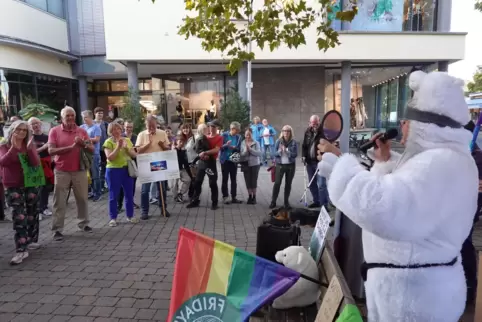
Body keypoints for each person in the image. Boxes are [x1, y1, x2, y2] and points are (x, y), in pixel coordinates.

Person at [317, 71, 478, 321]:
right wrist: (382, 162)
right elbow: (407, 190)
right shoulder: (444, 159)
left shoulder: (440, 163)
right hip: (412, 290)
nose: (402, 125)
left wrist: (342, 167)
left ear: (426, 125)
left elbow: (385, 208)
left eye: (407, 120)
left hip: (414, 300)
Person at [49, 106, 93, 241]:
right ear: (62, 117)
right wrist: (70, 148)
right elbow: (51, 150)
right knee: (59, 200)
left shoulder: (81, 131)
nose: (70, 118)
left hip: (79, 170)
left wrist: (83, 144)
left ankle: (84, 223)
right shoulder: (54, 131)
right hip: (61, 170)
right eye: (67, 115)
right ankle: (57, 229)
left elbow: (91, 149)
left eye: (72, 115)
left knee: (83, 198)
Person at [0, 120, 40, 264]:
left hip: (30, 183)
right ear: (12, 130)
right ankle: (21, 249)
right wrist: (13, 148)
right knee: (19, 216)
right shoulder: (4, 145)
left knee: (31, 212)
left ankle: (31, 239)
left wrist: (30, 150)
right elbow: (3, 162)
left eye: (24, 130)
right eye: (18, 130)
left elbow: (36, 163)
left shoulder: (28, 144)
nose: (21, 132)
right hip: (13, 185)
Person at [461, 120, 482, 305]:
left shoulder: (476, 157)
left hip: (467, 209)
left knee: (463, 242)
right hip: (457, 207)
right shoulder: (461, 154)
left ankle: (469, 283)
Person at [103, 122, 139, 226]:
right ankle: (113, 218)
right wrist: (118, 147)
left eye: (118, 129)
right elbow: (110, 158)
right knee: (114, 195)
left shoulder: (127, 140)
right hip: (113, 171)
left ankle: (130, 216)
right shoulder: (108, 142)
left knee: (129, 194)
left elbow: (134, 155)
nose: (117, 131)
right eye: (114, 129)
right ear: (110, 131)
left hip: (127, 170)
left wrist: (127, 148)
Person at [136, 115, 171, 219]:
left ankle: (163, 209)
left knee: (162, 188)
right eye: (149, 126)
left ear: (156, 124)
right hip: (146, 164)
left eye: (153, 125)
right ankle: (144, 211)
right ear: (146, 125)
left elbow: (167, 148)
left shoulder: (162, 133)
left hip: (159, 163)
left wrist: (163, 146)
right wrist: (148, 143)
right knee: (145, 190)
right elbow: (138, 150)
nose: (151, 128)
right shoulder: (141, 135)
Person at [187, 122, 222, 210]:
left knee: (212, 183)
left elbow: (216, 150)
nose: (211, 128)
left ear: (216, 127)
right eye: (210, 126)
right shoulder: (203, 137)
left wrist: (205, 153)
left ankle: (214, 203)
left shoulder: (219, 137)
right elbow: (197, 148)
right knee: (198, 182)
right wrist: (201, 154)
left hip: (210, 163)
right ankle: (195, 200)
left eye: (213, 126)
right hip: (202, 162)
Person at [29, 117, 54, 219]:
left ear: (41, 124)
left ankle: (44, 207)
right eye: (33, 124)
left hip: (47, 164)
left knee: (46, 187)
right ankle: (37, 210)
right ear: (30, 126)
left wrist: (52, 159)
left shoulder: (47, 137)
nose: (36, 125)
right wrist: (44, 147)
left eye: (37, 123)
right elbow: (31, 152)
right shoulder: (29, 138)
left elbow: (52, 150)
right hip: (34, 165)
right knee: (36, 187)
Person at [269, 125, 298, 209]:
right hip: (280, 165)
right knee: (277, 183)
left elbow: (295, 154)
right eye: (284, 130)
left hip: (290, 166)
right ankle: (273, 201)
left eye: (288, 131)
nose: (286, 132)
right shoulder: (278, 141)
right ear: (282, 132)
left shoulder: (293, 142)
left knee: (288, 184)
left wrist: (287, 151)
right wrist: (279, 151)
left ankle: (286, 202)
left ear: (290, 132)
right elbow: (273, 154)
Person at [301, 115, 325, 208]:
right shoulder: (308, 131)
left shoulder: (323, 132)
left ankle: (324, 204)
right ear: (309, 122)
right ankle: (317, 201)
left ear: (319, 122)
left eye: (316, 123)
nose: (314, 125)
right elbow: (304, 145)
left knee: (322, 184)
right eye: (312, 123)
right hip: (309, 162)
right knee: (311, 183)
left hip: (319, 162)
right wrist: (303, 156)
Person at [117, 120, 139, 211]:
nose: (129, 129)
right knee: (121, 185)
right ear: (124, 127)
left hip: (133, 163)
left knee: (132, 184)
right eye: (127, 127)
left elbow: (137, 149)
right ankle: (119, 204)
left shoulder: (135, 137)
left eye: (130, 127)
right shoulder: (120, 136)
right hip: (123, 163)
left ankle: (131, 202)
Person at [81, 110, 102, 202]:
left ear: (90, 117)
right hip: (84, 154)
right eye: (83, 117)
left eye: (85, 117)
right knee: (87, 175)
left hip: (94, 154)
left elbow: (97, 140)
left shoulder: (96, 128)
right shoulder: (82, 127)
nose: (84, 119)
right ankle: (91, 192)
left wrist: (85, 140)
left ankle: (97, 193)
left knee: (95, 174)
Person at [220, 122, 242, 204]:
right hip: (225, 160)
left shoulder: (238, 137)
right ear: (232, 129)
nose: (238, 132)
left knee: (233, 179)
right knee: (225, 179)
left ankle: (234, 197)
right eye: (236, 130)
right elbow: (220, 148)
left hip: (234, 160)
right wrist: (226, 145)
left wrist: (235, 148)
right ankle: (225, 197)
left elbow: (239, 148)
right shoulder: (224, 135)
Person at [240, 128, 261, 204]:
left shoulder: (256, 143)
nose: (248, 136)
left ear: (252, 134)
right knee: (247, 181)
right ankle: (249, 196)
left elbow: (259, 153)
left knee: (253, 181)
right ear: (245, 135)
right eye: (246, 135)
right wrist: (246, 150)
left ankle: (254, 197)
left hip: (255, 164)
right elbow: (242, 154)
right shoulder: (243, 143)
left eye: (249, 134)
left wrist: (251, 150)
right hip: (246, 164)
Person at [173, 135, 193, 203]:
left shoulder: (183, 151)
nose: (181, 143)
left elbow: (185, 162)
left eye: (183, 142)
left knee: (188, 180)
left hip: (182, 169)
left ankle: (180, 194)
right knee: (174, 184)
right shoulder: (174, 150)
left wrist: (190, 174)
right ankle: (176, 197)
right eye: (180, 141)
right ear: (176, 142)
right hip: (174, 169)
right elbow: (177, 160)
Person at [94, 107, 109, 193]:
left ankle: (103, 185)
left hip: (103, 150)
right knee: (95, 168)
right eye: (98, 113)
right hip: (94, 150)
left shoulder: (106, 124)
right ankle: (95, 187)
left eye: (101, 113)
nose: (100, 115)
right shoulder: (91, 124)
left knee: (103, 167)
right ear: (94, 114)